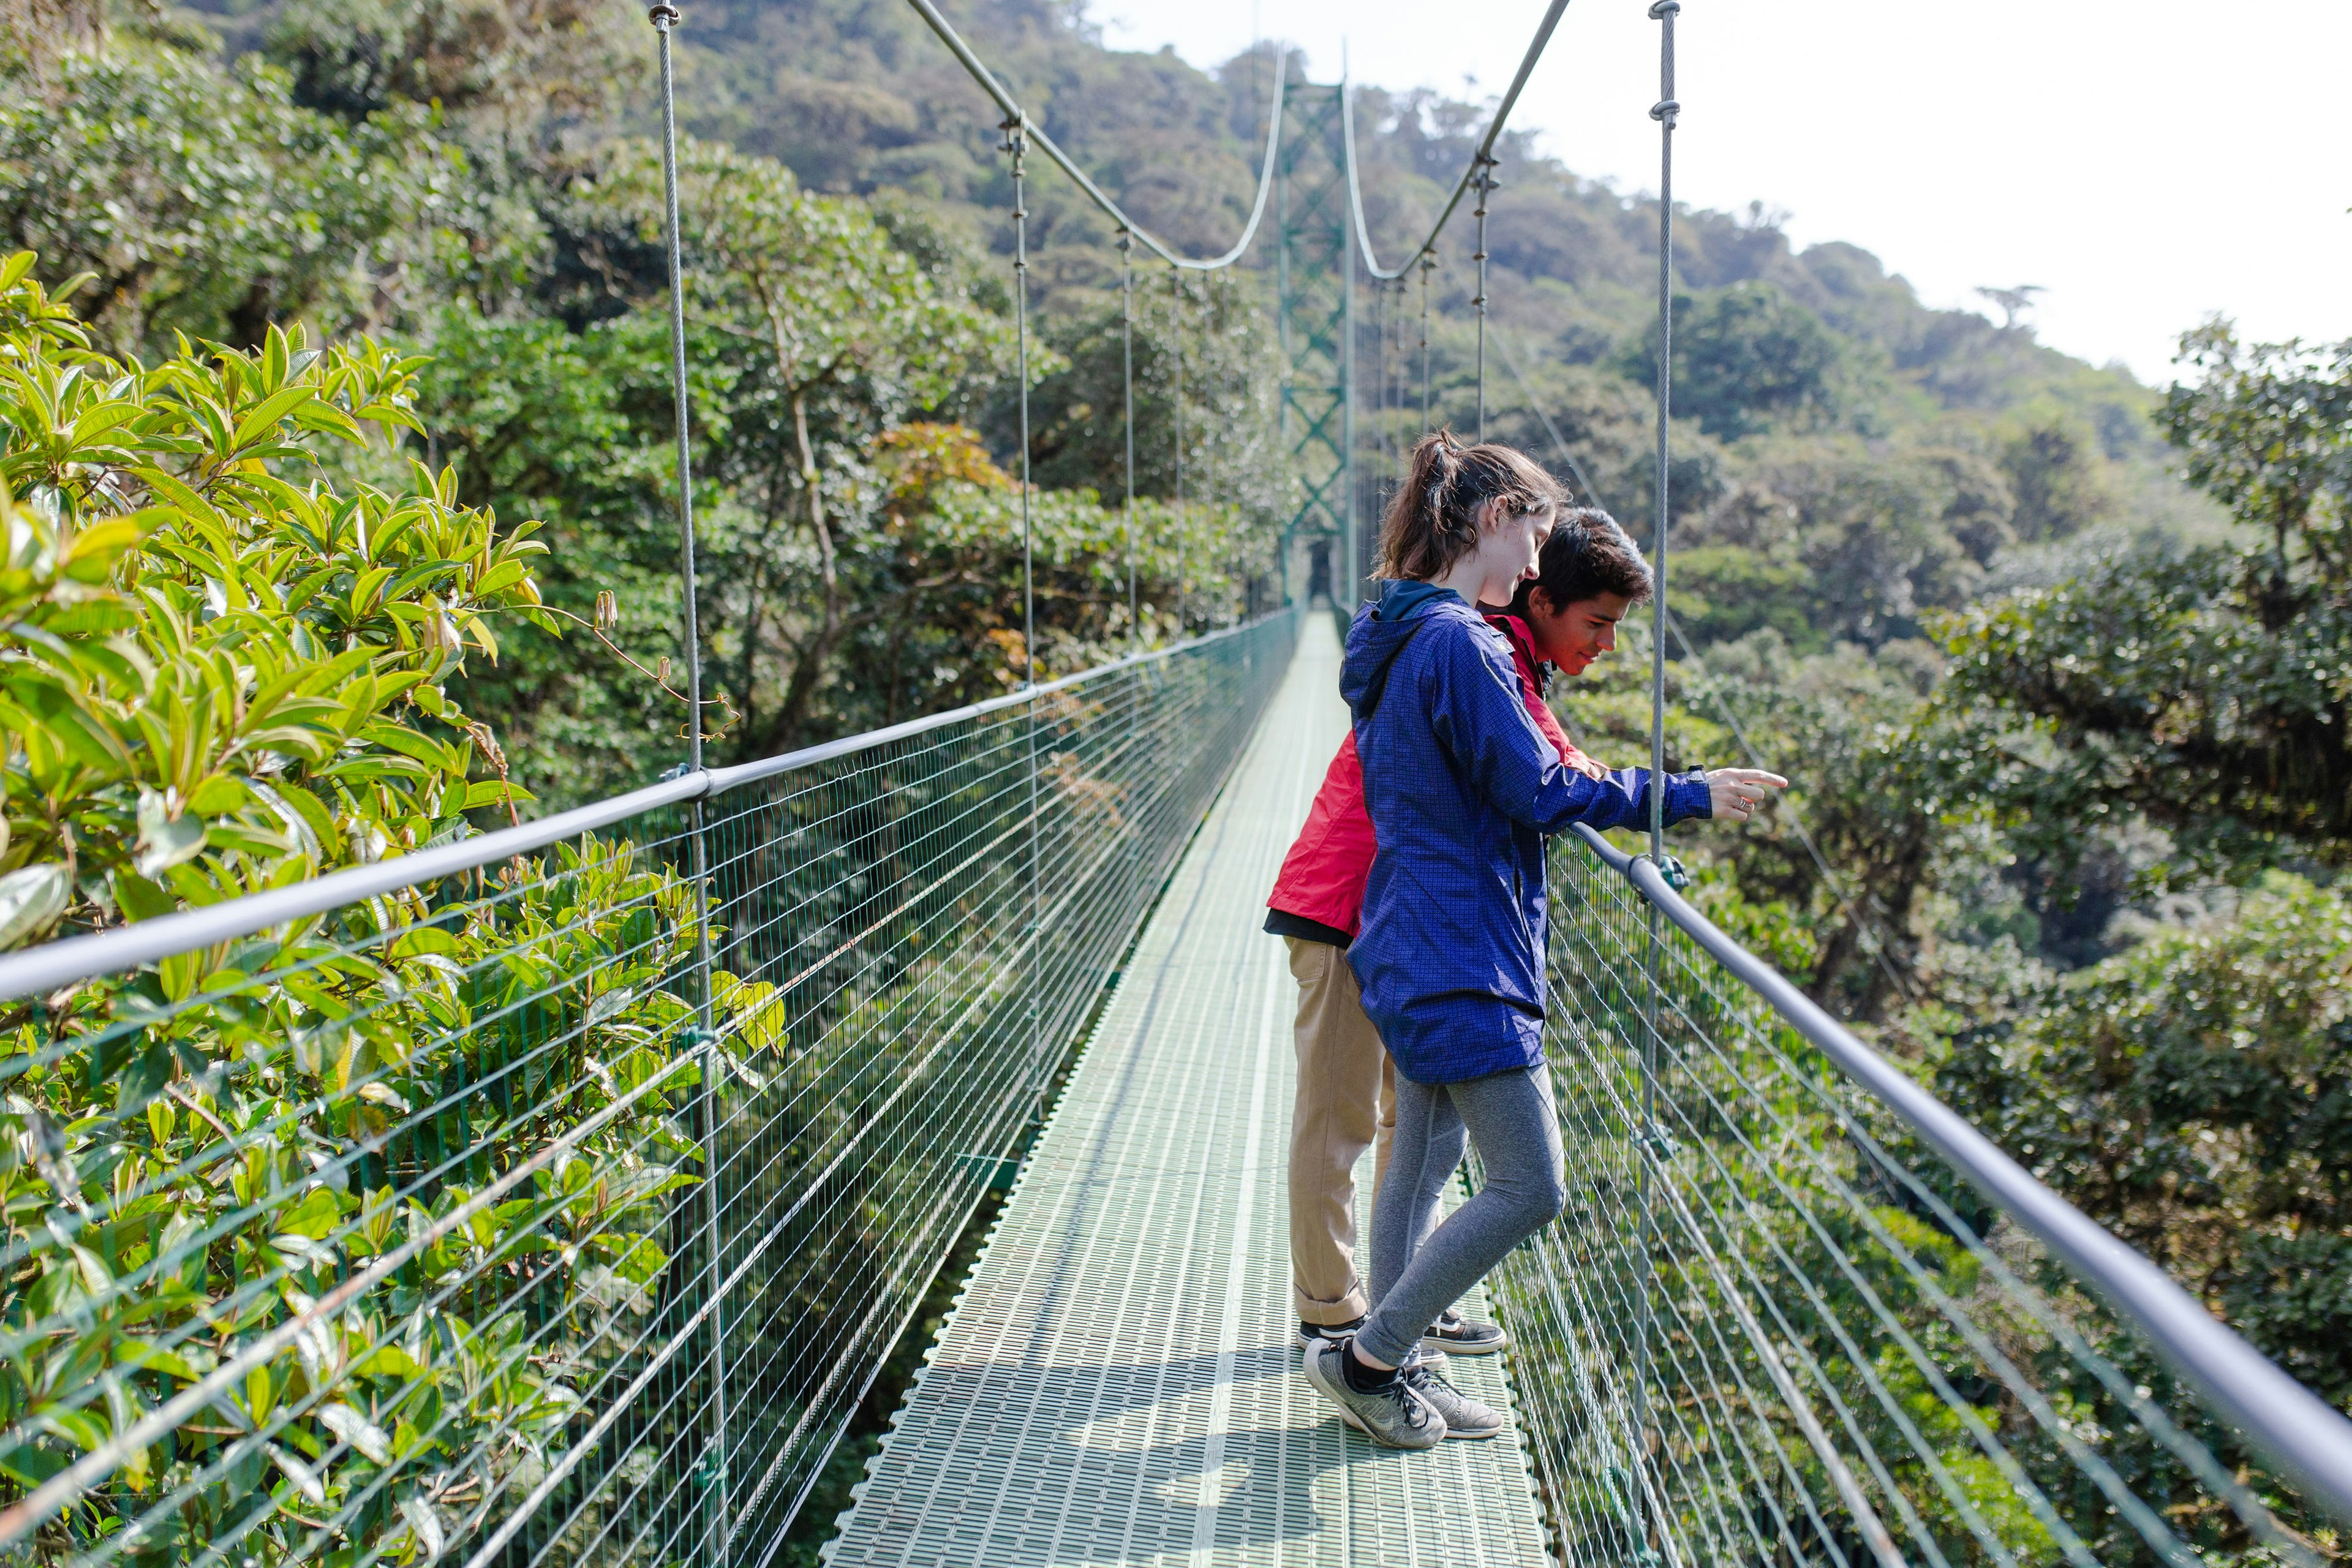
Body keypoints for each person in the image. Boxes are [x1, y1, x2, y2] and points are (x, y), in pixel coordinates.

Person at [1300, 432, 1785, 1450]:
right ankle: (1369, 1359)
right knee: (1532, 1185)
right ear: (1491, 520)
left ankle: (1401, 1372)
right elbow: (1540, 786)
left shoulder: (1402, 631)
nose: (1534, 566)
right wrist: (1687, 794)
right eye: (1533, 537)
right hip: (1461, 948)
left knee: (1423, 1168)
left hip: (1414, 933)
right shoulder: (1461, 644)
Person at [1263, 511, 1648, 1375]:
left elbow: (1540, 753)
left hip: (1409, 911)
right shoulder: (1472, 643)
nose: (1606, 646)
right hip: (1347, 900)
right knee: (1343, 1118)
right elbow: (1538, 778)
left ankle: (1398, 1318)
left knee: (1416, 1123)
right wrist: (1644, 787)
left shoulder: (1492, 647)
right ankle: (1336, 1320)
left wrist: (1569, 756)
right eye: (1596, 623)